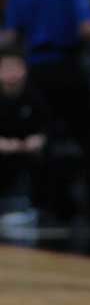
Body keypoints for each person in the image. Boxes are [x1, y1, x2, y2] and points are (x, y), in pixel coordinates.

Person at [0, 0, 90, 221]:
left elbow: (9, 37)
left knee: (45, 137)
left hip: (38, 71)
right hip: (69, 67)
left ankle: (49, 205)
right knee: (89, 141)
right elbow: (88, 29)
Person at [0, 47, 50, 225]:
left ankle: (37, 208)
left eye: (16, 67)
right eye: (7, 68)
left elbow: (47, 125)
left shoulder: (36, 95)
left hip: (26, 151)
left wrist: (40, 139)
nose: (12, 73)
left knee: (46, 157)